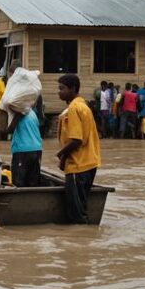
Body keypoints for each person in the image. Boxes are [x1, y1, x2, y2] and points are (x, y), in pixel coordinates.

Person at [56, 74, 101, 223]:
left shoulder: (74, 108)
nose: (59, 92)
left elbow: (76, 140)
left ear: (72, 89)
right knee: (81, 207)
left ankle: (81, 239)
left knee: (76, 214)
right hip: (89, 163)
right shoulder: (83, 106)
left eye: (62, 88)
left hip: (78, 165)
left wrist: (61, 154)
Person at [8, 107, 42, 188]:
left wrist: (16, 116)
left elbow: (9, 129)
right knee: (33, 180)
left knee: (18, 181)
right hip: (37, 148)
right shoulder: (33, 113)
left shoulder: (20, 114)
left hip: (23, 149)